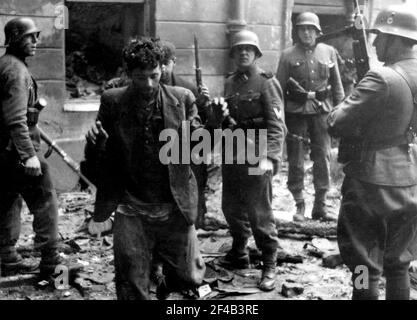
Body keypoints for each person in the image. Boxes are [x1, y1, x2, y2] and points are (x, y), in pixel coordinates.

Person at [85, 37, 205, 300]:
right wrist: (95, 143)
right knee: (131, 280)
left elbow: (199, 145)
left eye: (154, 75)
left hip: (174, 203)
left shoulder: (182, 99)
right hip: (131, 206)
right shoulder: (112, 101)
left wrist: (214, 123)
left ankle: (165, 286)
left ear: (162, 69)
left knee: (188, 277)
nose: (149, 84)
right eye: (141, 77)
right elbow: (96, 161)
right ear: (129, 74)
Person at [328, 5, 417, 300]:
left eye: (378, 37)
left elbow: (335, 122)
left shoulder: (380, 78)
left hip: (371, 180)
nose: (374, 43)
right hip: (412, 178)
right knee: (399, 263)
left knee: (362, 264)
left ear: (394, 38)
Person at [211, 29, 286, 291]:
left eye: (248, 49)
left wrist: (271, 158)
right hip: (233, 153)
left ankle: (269, 263)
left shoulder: (266, 82)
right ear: (233, 55)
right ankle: (240, 252)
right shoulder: (230, 82)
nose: (243, 52)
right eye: (239, 49)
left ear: (255, 54)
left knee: (259, 214)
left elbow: (277, 126)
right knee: (231, 208)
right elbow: (224, 120)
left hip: (258, 154)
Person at [0, 17, 73, 277]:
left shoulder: (6, 65)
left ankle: (7, 258)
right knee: (45, 200)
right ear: (15, 38)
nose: (36, 42)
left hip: (4, 152)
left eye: (37, 36)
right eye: (30, 36)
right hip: (17, 152)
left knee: (8, 200)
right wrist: (29, 155)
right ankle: (52, 260)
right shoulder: (16, 71)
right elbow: (15, 118)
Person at [276, 12, 345, 222]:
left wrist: (340, 112)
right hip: (295, 113)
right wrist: (278, 116)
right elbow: (278, 88)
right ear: (297, 31)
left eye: (310, 29)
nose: (306, 33)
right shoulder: (287, 55)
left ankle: (320, 205)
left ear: (317, 31)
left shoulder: (329, 52)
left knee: (322, 157)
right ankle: (299, 203)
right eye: (302, 28)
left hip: (322, 112)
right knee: (296, 160)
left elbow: (338, 86)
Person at [159, 40, 211, 229]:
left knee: (192, 196)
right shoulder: (148, 88)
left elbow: (203, 126)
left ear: (174, 61)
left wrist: (205, 103)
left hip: (188, 152)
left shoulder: (188, 88)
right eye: (159, 62)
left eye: (167, 62)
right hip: (162, 152)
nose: (163, 68)